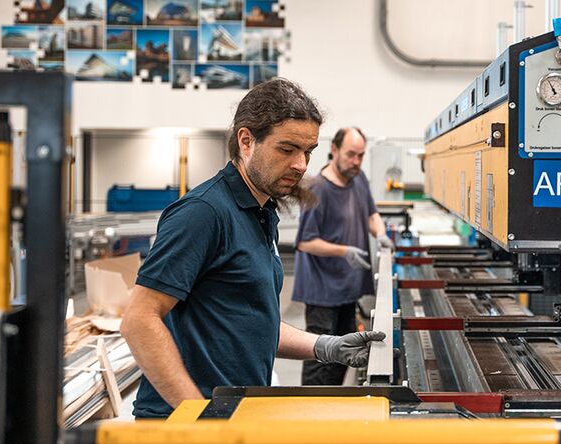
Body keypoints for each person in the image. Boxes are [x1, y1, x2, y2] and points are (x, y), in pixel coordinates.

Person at [120, 79, 385, 418]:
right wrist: (200, 416)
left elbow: (250, 321)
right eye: (287, 149)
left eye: (308, 152)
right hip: (183, 430)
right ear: (246, 141)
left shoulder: (262, 213)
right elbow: (138, 320)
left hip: (236, 414)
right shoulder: (205, 212)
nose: (302, 165)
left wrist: (325, 346)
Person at [293, 127, 394, 385]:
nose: (356, 161)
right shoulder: (317, 189)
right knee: (319, 354)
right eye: (351, 155)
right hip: (322, 289)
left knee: (346, 351)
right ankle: (311, 414)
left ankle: (333, 401)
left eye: (360, 155)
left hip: (348, 287)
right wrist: (344, 251)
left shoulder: (358, 179)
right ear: (334, 150)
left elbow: (371, 214)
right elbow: (305, 242)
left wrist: (381, 234)